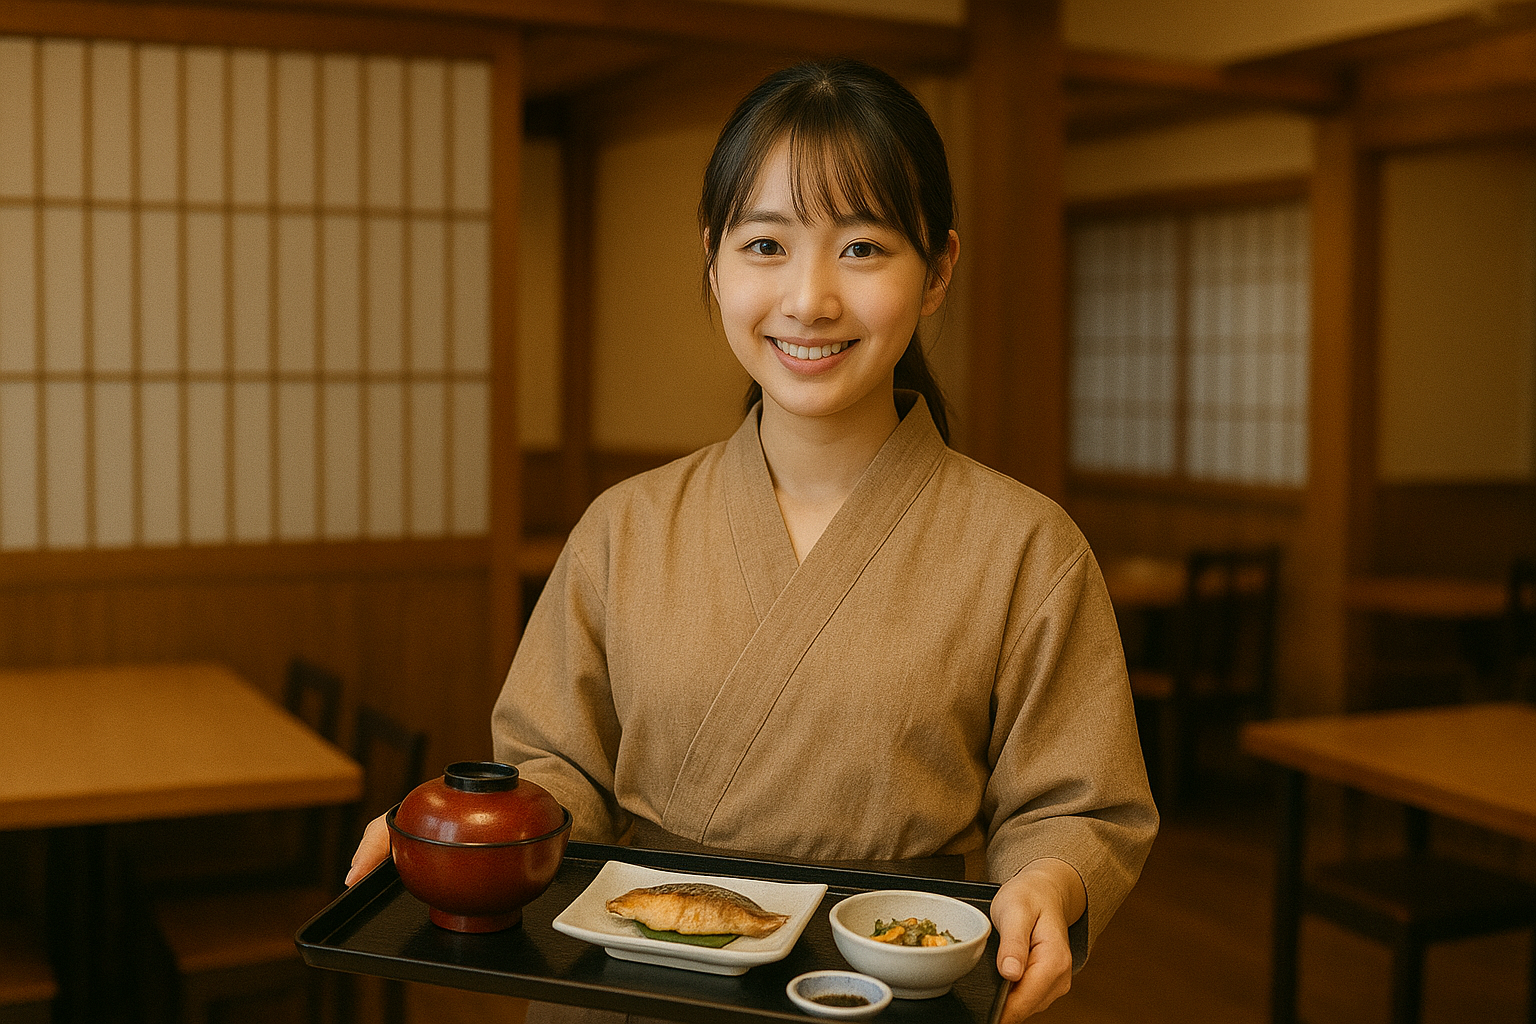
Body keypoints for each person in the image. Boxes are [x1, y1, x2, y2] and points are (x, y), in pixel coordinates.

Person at [347, 59, 1157, 1022]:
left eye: (862, 248)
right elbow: (553, 766)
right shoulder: (625, 524)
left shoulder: (1026, 546)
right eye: (766, 244)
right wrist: (461, 835)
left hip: (878, 988)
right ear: (714, 261)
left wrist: (1051, 884)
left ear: (937, 270)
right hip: (624, 982)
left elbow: (1077, 806)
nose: (809, 299)